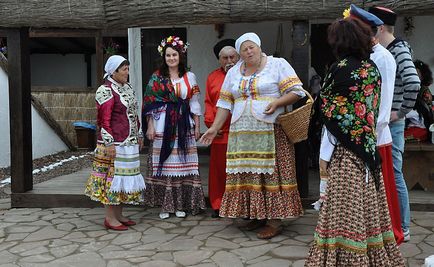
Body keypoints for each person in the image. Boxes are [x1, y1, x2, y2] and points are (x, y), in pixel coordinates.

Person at [305, 17, 405, 266]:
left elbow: (328, 111)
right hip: (368, 149)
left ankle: (346, 259)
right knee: (368, 207)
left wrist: (325, 153)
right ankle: (371, 256)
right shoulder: (371, 68)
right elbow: (371, 108)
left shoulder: (338, 69)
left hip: (346, 152)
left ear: (338, 41)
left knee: (343, 210)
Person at [200, 32, 304, 239]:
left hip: (271, 132)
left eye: (251, 47)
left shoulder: (277, 64)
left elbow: (297, 91)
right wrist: (214, 127)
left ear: (258, 46)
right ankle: (257, 215)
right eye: (244, 49)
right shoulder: (234, 72)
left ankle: (274, 221)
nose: (248, 52)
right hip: (243, 134)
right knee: (250, 175)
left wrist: (277, 103)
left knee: (272, 175)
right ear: (240, 53)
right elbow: (224, 103)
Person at [347, 4, 405, 245]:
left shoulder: (382, 57)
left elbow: (383, 102)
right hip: (364, 135)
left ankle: (387, 233)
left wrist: (369, 132)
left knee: (381, 193)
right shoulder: (363, 55)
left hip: (374, 136)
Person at [369, 6, 421, 241]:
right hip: (385, 120)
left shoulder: (397, 50)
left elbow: (413, 82)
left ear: (379, 28)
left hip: (391, 122)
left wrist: (399, 113)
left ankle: (403, 226)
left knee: (394, 173)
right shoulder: (388, 49)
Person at [142, 36, 205, 219]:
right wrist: (150, 127)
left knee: (183, 165)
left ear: (180, 56)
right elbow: (149, 103)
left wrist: (197, 126)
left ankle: (181, 204)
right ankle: (166, 205)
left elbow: (194, 103)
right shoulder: (157, 77)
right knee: (167, 164)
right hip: (162, 124)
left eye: (174, 55)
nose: (171, 58)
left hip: (184, 124)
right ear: (164, 57)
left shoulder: (189, 77)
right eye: (168, 55)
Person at [85, 55, 145, 231]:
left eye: (127, 68)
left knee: (123, 180)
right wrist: (109, 143)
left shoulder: (127, 88)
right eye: (124, 69)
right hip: (114, 143)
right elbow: (104, 120)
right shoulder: (105, 90)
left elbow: (134, 113)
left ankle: (119, 214)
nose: (127, 72)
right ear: (114, 71)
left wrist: (139, 134)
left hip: (128, 142)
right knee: (112, 180)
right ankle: (110, 218)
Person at [204, 39, 239, 218]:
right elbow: (209, 103)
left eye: (232, 56)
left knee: (240, 170)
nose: (229, 61)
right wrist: (211, 125)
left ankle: (240, 205)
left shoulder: (244, 74)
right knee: (219, 171)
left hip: (241, 132)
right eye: (224, 58)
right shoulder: (212, 77)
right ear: (219, 60)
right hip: (220, 133)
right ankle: (218, 203)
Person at [404, 59, 434, 142]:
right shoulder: (409, 88)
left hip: (422, 125)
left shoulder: (424, 91)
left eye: (417, 74)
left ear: (423, 76)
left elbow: (425, 110)